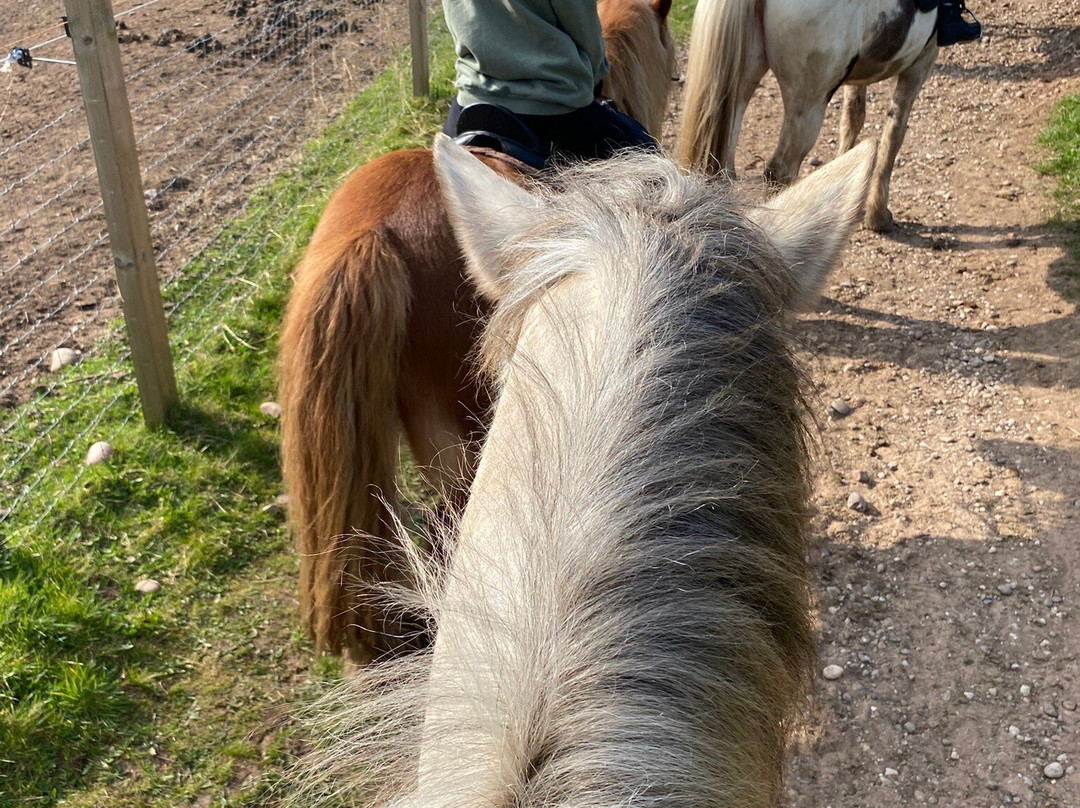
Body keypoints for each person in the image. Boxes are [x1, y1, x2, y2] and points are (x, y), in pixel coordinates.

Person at [441, 0, 658, 170]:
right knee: (650, 161)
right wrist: (596, 73)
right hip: (553, 105)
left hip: (472, 100)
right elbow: (583, 28)